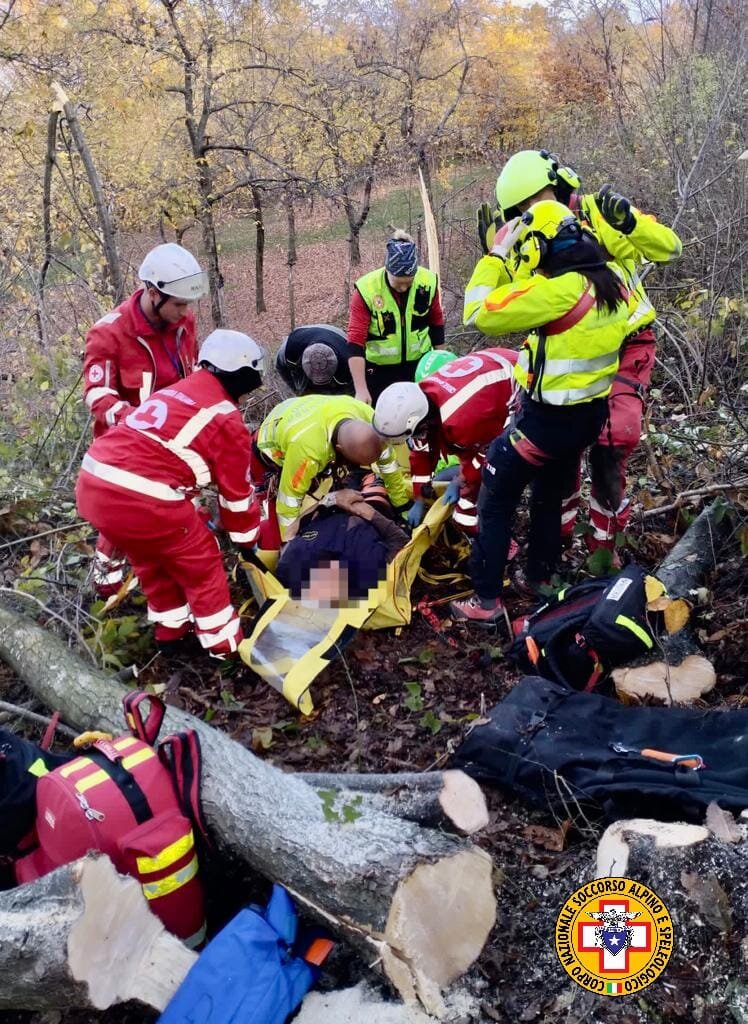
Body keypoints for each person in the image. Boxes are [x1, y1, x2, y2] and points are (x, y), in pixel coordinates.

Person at [482, 149, 682, 552]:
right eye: (521, 210)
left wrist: (629, 223)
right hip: (566, 349)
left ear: (558, 187)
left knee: (612, 444)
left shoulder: (601, 213)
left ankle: (600, 555)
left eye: (534, 203)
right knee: (561, 455)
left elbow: (669, 248)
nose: (532, 214)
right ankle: (555, 546)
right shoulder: (528, 235)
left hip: (626, 343)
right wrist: (497, 255)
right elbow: (519, 298)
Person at [452, 199, 631, 623]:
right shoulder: (613, 281)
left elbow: (478, 310)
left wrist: (495, 256)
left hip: (544, 424)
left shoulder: (556, 293)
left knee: (495, 501)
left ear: (540, 248)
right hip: (586, 420)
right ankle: (539, 578)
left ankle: (487, 602)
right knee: (550, 497)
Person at [76, 330, 265, 658]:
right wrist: (249, 539)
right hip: (140, 496)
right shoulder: (226, 419)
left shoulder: (175, 392)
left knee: (151, 556)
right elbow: (235, 497)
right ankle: (225, 649)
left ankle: (171, 633)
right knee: (201, 563)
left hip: (94, 480)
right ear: (242, 378)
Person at [82, 243, 208, 596]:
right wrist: (137, 420)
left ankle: (173, 575)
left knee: (183, 507)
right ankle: (106, 588)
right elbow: (97, 394)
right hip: (126, 446)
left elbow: (193, 371)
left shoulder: (184, 321)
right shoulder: (109, 333)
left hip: (176, 442)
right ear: (153, 293)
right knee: (122, 519)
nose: (185, 312)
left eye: (188, 304)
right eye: (179, 304)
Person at [373, 347, 519, 535]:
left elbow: (485, 454)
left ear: (420, 423)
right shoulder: (422, 398)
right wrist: (419, 498)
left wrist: (460, 481)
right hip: (494, 365)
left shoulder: (462, 421)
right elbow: (421, 453)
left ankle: (492, 535)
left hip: (517, 383)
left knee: (475, 501)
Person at [252, 394, 410, 543]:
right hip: (272, 441)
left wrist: (403, 509)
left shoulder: (369, 418)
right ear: (339, 449)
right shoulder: (307, 453)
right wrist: (290, 544)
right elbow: (288, 502)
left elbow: (389, 468)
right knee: (273, 537)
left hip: (310, 412)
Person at [276, 476, 409, 606]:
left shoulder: (289, 565)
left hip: (339, 522)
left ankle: (369, 484)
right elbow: (401, 542)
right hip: (354, 523)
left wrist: (331, 499)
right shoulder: (370, 570)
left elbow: (289, 533)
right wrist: (372, 514)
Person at [347, 231, 445, 405]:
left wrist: (441, 364)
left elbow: (436, 323)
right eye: (398, 283)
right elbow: (355, 343)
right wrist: (361, 389)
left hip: (419, 366)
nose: (403, 288)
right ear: (388, 271)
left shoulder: (428, 281)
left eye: (409, 282)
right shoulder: (366, 290)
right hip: (379, 372)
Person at [275, 324, 353, 395]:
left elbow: (352, 390)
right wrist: (295, 389)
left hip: (336, 335)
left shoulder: (348, 361)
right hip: (305, 333)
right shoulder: (290, 349)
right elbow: (281, 367)